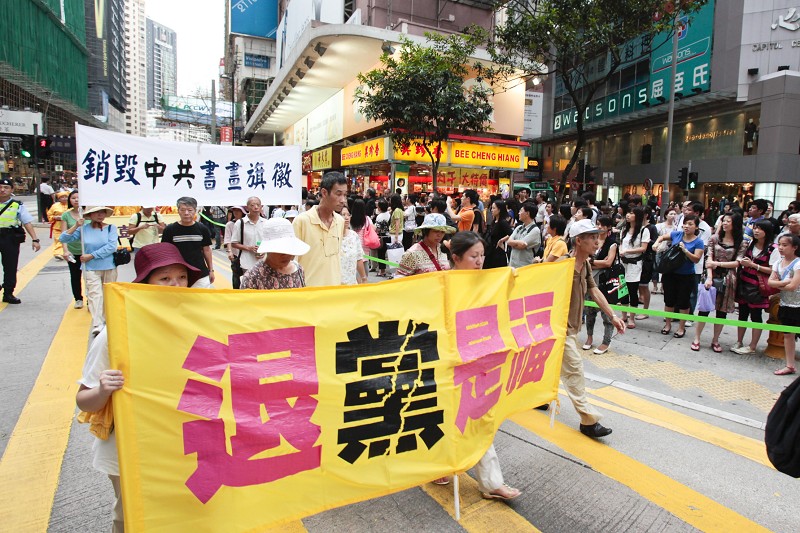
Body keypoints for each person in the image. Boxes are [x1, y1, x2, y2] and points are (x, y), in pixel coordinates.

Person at [76, 242, 201, 533]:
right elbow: (83, 400)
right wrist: (103, 390)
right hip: (130, 448)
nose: (176, 285)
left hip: (181, 445)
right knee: (132, 518)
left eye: (182, 277)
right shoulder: (116, 334)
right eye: (165, 278)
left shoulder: (195, 325)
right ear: (145, 284)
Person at [432, 230, 520, 501]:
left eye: (482, 255)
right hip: (449, 363)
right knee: (448, 417)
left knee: (480, 419)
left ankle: (491, 482)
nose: (480, 261)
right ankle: (441, 465)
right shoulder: (442, 284)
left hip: (479, 362)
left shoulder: (487, 282)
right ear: (456, 257)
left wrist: (509, 281)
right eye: (474, 256)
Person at [561, 219, 626, 437]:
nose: (597, 242)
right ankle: (588, 421)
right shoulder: (562, 266)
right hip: (559, 330)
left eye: (597, 237)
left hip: (571, 328)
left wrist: (613, 316)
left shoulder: (586, 265)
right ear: (578, 241)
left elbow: (595, 291)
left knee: (549, 367)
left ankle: (538, 398)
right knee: (575, 370)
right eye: (592, 238)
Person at [691, 213, 746, 352]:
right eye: (724, 221)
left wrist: (717, 264)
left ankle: (715, 340)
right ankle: (697, 338)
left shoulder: (741, 242)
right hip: (711, 276)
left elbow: (737, 262)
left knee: (722, 312)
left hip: (728, 278)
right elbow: (708, 259)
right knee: (704, 309)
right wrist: (709, 277)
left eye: (728, 221)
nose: (725, 223)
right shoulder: (714, 238)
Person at [60, 206, 119, 335]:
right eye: (97, 212)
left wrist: (92, 255)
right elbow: (63, 238)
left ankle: (107, 319)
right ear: (90, 215)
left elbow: (111, 247)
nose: (100, 215)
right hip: (90, 267)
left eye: (102, 212)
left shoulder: (111, 228)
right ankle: (98, 323)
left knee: (108, 294)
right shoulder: (83, 229)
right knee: (94, 294)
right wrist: (76, 226)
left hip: (109, 266)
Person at [652, 214, 705, 338]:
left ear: (696, 227)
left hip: (686, 276)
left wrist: (685, 251)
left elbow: (696, 259)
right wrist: (656, 243)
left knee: (683, 302)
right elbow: (662, 237)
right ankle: (668, 324)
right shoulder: (677, 234)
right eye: (685, 223)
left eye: (690, 224)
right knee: (669, 300)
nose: (686, 226)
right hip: (670, 273)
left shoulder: (698, 242)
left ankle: (681, 327)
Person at [292, 171, 346, 287]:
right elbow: (293, 262)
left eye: (345, 195)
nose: (343, 200)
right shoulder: (302, 221)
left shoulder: (340, 221)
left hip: (334, 290)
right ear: (324, 192)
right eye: (338, 194)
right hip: (309, 291)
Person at [732, 220, 776, 354]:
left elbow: (773, 270)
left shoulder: (772, 249)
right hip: (744, 282)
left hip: (758, 287)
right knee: (742, 314)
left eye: (760, 229)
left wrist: (753, 265)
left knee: (756, 316)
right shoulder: (750, 244)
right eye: (755, 228)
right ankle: (739, 341)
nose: (756, 231)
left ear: (767, 232)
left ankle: (752, 346)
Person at [0, 177, 42, 303]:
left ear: (12, 190)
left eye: (6, 187)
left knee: (10, 266)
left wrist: (35, 239)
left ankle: (8, 293)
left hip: (9, 237)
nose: (2, 190)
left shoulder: (17, 205)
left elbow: (27, 222)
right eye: (0, 187)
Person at [240, 218, 309, 290]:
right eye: (280, 249)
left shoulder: (298, 270)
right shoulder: (253, 276)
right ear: (268, 249)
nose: (286, 254)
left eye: (289, 248)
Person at [161, 197, 215, 288]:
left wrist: (211, 270)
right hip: (177, 275)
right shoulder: (170, 229)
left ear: (195, 211)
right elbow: (165, 252)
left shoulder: (202, 229)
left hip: (200, 273)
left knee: (201, 296)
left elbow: (206, 250)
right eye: (182, 210)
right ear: (178, 211)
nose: (186, 213)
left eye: (190, 210)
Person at [584, 216, 618, 355]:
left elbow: (608, 263)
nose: (599, 227)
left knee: (606, 314)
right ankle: (589, 337)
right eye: (598, 224)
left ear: (608, 227)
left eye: (602, 225)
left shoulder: (612, 243)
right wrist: (598, 262)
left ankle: (606, 341)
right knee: (589, 311)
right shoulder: (594, 240)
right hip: (590, 278)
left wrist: (592, 262)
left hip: (605, 281)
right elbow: (585, 258)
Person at [768, 234, 800, 375]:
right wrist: (783, 283)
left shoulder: (798, 263)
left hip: (798, 305)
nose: (781, 248)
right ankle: (790, 365)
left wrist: (778, 284)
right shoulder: (777, 263)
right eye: (779, 244)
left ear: (794, 247)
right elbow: (770, 282)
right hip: (785, 303)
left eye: (785, 245)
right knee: (788, 335)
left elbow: (793, 286)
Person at [394, 213, 454, 278]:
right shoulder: (412, 253)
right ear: (426, 231)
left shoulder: (443, 249)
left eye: (442, 232)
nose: (439, 235)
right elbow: (399, 278)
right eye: (436, 231)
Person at [618, 207, 650, 329]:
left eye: (631, 213)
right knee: (622, 290)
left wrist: (627, 251)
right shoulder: (624, 230)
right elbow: (621, 244)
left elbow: (643, 248)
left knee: (632, 290)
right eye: (628, 212)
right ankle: (624, 315)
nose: (628, 215)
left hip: (634, 264)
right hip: (623, 263)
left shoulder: (643, 230)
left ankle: (631, 317)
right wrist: (621, 251)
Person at [231, 196, 270, 276]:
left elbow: (270, 241)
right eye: (252, 205)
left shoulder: (266, 223)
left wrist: (265, 250)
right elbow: (234, 243)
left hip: (264, 262)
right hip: (247, 263)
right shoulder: (240, 223)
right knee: (248, 283)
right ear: (247, 208)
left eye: (258, 205)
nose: (256, 207)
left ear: (261, 207)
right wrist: (249, 248)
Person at [61, 190, 84, 308]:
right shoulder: (66, 215)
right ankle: (78, 299)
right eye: (73, 198)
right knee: (75, 276)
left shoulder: (89, 214)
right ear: (69, 200)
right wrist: (66, 251)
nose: (76, 200)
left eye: (78, 197)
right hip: (73, 250)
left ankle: (91, 299)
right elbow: (64, 235)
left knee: (90, 277)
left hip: (88, 251)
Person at [502, 202, 541, 268]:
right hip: (512, 265)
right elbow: (509, 242)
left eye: (521, 211)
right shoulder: (519, 227)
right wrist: (518, 243)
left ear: (527, 213)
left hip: (524, 267)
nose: (519, 213)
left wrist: (514, 243)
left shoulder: (535, 230)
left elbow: (521, 246)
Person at [340, 205, 368, 285]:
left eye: (348, 215)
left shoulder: (353, 235)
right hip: (336, 284)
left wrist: (364, 278)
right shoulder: (331, 236)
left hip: (351, 283)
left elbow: (358, 258)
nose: (346, 217)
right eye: (343, 214)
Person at [652, 206, 679, 293]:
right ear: (666, 215)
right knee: (656, 267)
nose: (673, 215)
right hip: (659, 248)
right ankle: (655, 286)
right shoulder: (659, 226)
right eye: (671, 214)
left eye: (674, 214)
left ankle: (663, 286)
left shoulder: (676, 228)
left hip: (669, 249)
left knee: (666, 268)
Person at [483, 199, 513, 269]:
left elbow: (511, 233)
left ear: (499, 210)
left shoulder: (502, 222)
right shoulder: (494, 221)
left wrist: (502, 240)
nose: (491, 210)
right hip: (490, 250)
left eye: (494, 208)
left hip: (498, 252)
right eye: (491, 208)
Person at [224, 206, 247, 289]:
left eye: (238, 210)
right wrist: (230, 251)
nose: (236, 212)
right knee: (236, 274)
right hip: (235, 254)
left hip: (246, 253)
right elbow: (228, 239)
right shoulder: (229, 224)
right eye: (234, 210)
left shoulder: (247, 223)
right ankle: (236, 292)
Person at [47, 191, 70, 260]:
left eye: (66, 197)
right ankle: (58, 253)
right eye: (62, 197)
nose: (64, 198)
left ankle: (65, 252)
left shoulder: (71, 205)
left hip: (68, 226)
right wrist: (54, 217)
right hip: (57, 226)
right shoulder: (55, 206)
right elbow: (49, 214)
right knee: (59, 239)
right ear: (59, 199)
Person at [374, 199, 391, 277]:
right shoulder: (389, 214)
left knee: (381, 254)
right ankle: (392, 270)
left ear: (380, 208)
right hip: (389, 236)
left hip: (381, 237)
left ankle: (382, 271)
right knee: (390, 254)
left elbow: (378, 228)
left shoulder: (379, 216)